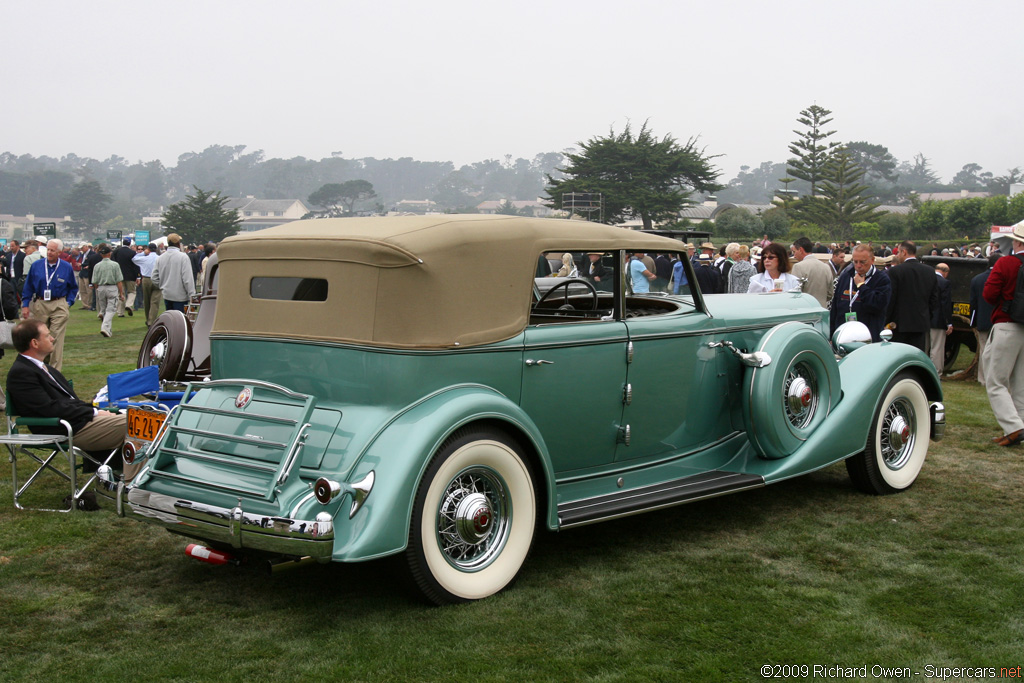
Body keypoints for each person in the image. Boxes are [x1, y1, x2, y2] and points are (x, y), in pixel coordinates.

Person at [5, 319, 137, 478]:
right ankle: (135, 487)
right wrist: (94, 413)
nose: (53, 338)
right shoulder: (22, 373)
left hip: (78, 422)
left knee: (147, 418)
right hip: (65, 428)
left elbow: (68, 402)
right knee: (139, 423)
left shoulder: (43, 368)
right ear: (35, 343)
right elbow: (49, 409)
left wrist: (96, 411)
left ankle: (132, 481)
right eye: (47, 336)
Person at [981, 225, 1024, 447]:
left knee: (996, 381)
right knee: (1020, 383)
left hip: (1007, 324)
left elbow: (989, 293)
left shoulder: (1007, 263)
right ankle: (1018, 425)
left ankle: (1013, 427)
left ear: (1017, 242)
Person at [21, 238, 77, 371]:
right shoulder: (37, 265)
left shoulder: (66, 267)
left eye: (53, 250)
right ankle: (41, 367)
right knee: (40, 337)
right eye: (48, 249)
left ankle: (55, 371)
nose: (50, 252)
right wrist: (25, 304)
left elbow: (73, 288)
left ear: (59, 252)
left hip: (59, 304)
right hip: (40, 303)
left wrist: (68, 303)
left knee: (56, 337)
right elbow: (28, 286)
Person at [829, 244, 892, 341]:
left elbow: (877, 305)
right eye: (855, 262)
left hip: (869, 337)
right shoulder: (846, 276)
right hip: (844, 335)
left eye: (863, 262)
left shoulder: (881, 279)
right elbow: (835, 307)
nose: (858, 266)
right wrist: (832, 334)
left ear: (872, 260)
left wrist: (861, 286)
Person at [885, 240, 938, 354]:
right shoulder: (929, 271)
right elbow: (934, 299)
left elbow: (891, 298)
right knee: (916, 356)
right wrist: (927, 316)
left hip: (899, 324)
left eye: (898, 252)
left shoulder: (895, 271)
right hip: (920, 323)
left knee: (899, 357)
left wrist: (886, 320)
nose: (897, 255)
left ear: (904, 252)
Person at [970, 254, 999, 385]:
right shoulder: (1002, 278)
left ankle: (982, 378)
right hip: (999, 320)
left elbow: (973, 303)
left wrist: (973, 321)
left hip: (982, 319)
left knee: (983, 350)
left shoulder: (977, 279)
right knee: (998, 351)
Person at [151, 233, 196, 312]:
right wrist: (192, 295)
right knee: (180, 321)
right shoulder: (183, 257)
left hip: (167, 295)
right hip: (180, 296)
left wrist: (163, 286)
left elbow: (154, 277)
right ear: (178, 243)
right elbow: (187, 279)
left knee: (170, 320)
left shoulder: (161, 257)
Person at [91, 245, 124, 338]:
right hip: (112, 287)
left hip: (101, 288)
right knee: (111, 309)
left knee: (104, 309)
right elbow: (119, 280)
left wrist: (98, 289)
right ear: (110, 254)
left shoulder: (97, 266)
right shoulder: (115, 265)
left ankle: (108, 330)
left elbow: (95, 281)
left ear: (101, 255)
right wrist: (121, 293)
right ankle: (105, 328)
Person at [791, 236, 835, 307]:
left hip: (805, 310)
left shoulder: (798, 267)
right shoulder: (826, 267)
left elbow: (794, 293)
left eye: (794, 252)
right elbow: (830, 293)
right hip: (822, 310)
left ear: (801, 250)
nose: (794, 255)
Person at [929, 263, 954, 374]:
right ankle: (936, 372)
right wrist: (948, 322)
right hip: (938, 320)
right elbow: (945, 304)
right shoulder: (944, 283)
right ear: (946, 272)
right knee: (937, 348)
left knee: (924, 348)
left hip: (924, 319)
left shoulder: (927, 280)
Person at [133, 242, 162, 326]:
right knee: (155, 301)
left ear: (148, 249)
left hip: (146, 279)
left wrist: (143, 253)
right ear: (156, 249)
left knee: (147, 300)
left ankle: (148, 319)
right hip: (157, 278)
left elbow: (134, 259)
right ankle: (151, 320)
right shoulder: (160, 258)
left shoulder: (144, 258)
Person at [112, 237, 139, 317]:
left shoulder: (116, 252)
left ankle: (120, 312)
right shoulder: (133, 253)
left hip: (119, 276)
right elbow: (136, 265)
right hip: (131, 276)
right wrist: (138, 276)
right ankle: (128, 304)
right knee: (132, 292)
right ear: (130, 243)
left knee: (121, 293)